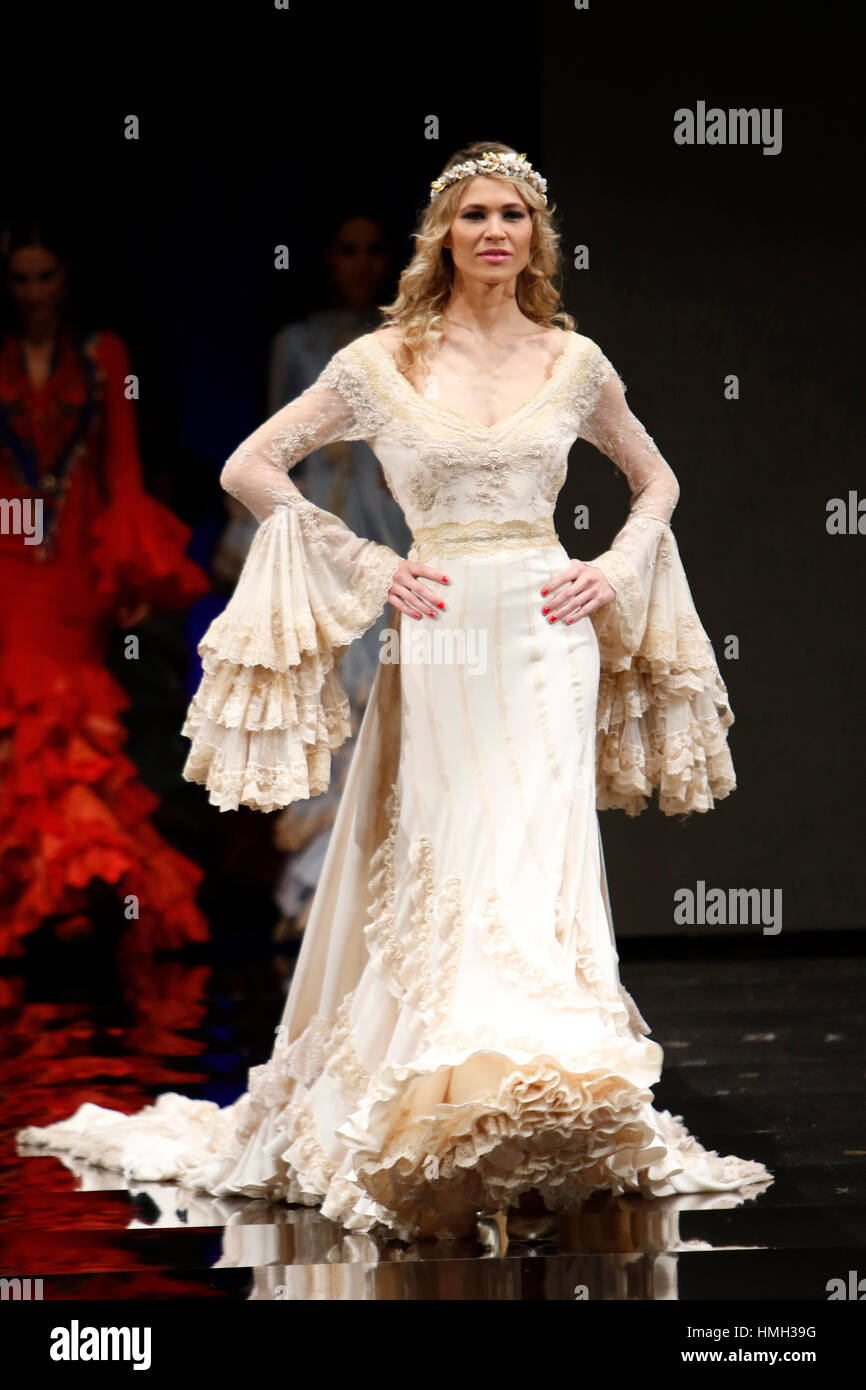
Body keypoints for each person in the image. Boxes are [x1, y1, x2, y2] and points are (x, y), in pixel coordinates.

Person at [17, 144, 772, 1242]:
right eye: (473, 213)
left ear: (534, 236)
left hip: (545, 633)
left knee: (537, 856)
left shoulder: (573, 361)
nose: (495, 230)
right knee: (450, 852)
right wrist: (368, 565)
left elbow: (654, 479)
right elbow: (248, 468)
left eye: (513, 213)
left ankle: (553, 1093)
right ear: (445, 234)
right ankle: (437, 1094)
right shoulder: (383, 362)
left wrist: (611, 567)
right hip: (438, 632)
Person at [0, 220, 210, 957]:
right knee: (16, 731)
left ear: (66, 281)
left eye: (44, 277)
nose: (32, 294)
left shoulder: (101, 358)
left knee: (73, 730)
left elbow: (121, 469)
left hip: (71, 569)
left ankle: (72, 903)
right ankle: (30, 908)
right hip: (6, 559)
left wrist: (132, 569)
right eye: (19, 279)